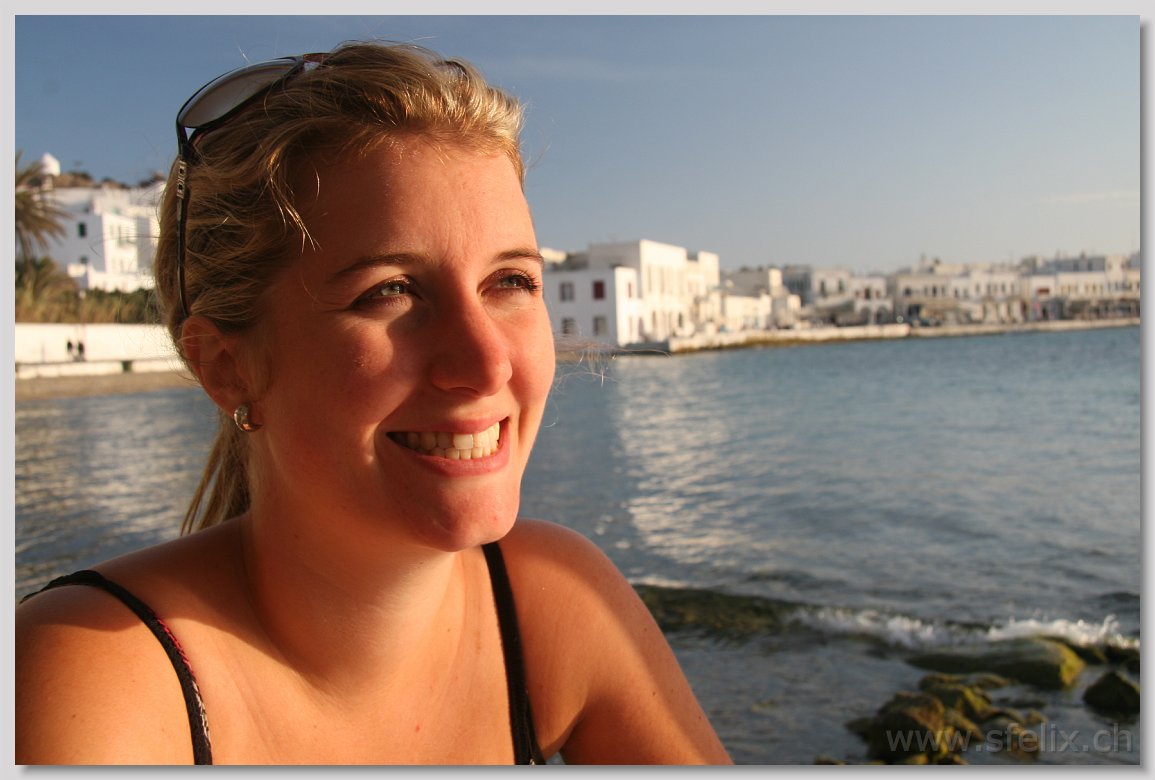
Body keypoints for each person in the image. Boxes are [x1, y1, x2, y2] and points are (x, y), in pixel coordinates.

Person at [15, 41, 731, 765]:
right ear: (228, 367)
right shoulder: (90, 675)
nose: (487, 364)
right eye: (390, 291)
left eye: (510, 282)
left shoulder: (554, 601)